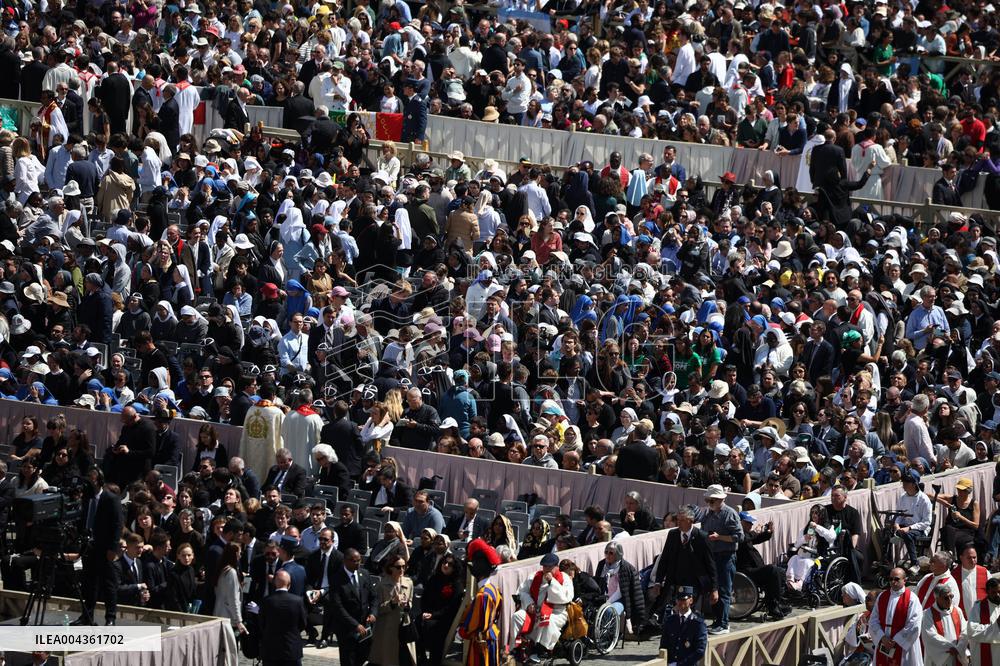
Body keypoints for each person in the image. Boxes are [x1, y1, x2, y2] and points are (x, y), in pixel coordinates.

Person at [75, 470, 123, 626]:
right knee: (89, 584)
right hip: (88, 546)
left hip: (105, 548)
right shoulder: (86, 498)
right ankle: (87, 616)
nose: (89, 480)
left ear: (99, 480)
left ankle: (110, 618)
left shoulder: (110, 498)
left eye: (92, 477)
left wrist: (113, 548)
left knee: (108, 584)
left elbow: (117, 524)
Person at [696, 484, 743, 635]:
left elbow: (739, 536)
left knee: (723, 590)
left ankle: (723, 623)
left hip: (725, 556)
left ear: (720, 499)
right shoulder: (707, 514)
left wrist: (719, 537)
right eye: (708, 500)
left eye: (712, 500)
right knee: (713, 589)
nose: (709, 503)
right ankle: (717, 621)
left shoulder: (730, 514)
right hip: (712, 556)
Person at [512, 552, 574, 663]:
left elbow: (566, 597)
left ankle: (540, 650)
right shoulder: (534, 576)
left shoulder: (564, 578)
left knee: (548, 621)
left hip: (556, 612)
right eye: (544, 566)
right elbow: (522, 592)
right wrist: (529, 603)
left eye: (549, 567)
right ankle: (515, 647)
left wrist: (552, 582)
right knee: (517, 616)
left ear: (556, 567)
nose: (546, 569)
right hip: (534, 610)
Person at [459, 538, 503, 666]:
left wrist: (462, 631)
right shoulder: (493, 589)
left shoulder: (483, 595)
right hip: (491, 637)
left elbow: (475, 624)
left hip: (482, 642)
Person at [329, 548, 377, 666]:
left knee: (363, 658)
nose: (358, 563)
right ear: (345, 561)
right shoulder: (336, 579)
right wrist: (355, 625)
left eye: (359, 560)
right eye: (354, 561)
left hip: (365, 628)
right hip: (346, 629)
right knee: (349, 660)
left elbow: (374, 597)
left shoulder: (364, 574)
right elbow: (338, 607)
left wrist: (373, 613)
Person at [868, 567, 923, 666]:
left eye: (897, 579)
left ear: (904, 580)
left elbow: (914, 624)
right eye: (891, 579)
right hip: (883, 642)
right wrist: (882, 637)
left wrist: (897, 640)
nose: (893, 582)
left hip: (903, 645)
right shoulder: (882, 596)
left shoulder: (912, 598)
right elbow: (873, 620)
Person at [370, 554, 417, 666]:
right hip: (388, 627)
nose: (402, 569)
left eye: (404, 566)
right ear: (391, 568)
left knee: (406, 658)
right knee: (389, 658)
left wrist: (407, 605)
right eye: (398, 567)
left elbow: (410, 602)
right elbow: (378, 609)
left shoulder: (409, 582)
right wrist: (392, 602)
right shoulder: (382, 585)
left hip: (404, 625)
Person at [594, 541, 646, 634]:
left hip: (620, 599)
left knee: (609, 611)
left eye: (611, 553)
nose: (608, 555)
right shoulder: (602, 564)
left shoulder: (625, 568)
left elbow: (620, 591)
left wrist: (608, 602)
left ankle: (607, 634)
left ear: (618, 554)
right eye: (606, 552)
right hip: (603, 597)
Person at [259, 569, 308, 666]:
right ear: (289, 584)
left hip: (271, 650)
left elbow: (262, 624)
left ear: (274, 584)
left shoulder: (266, 601)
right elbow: (303, 623)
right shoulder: (298, 601)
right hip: (291, 649)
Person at [658, 585, 707, 666]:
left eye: (683, 599)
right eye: (678, 599)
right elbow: (663, 645)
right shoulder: (670, 621)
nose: (680, 602)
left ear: (691, 600)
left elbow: (700, 651)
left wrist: (679, 664)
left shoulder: (698, 623)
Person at [921, 584, 968, 666]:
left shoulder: (957, 610)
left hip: (958, 653)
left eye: (951, 596)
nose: (949, 600)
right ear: (937, 598)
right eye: (946, 598)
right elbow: (930, 636)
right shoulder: (928, 614)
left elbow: (965, 630)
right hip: (940, 656)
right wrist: (950, 647)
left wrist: (959, 647)